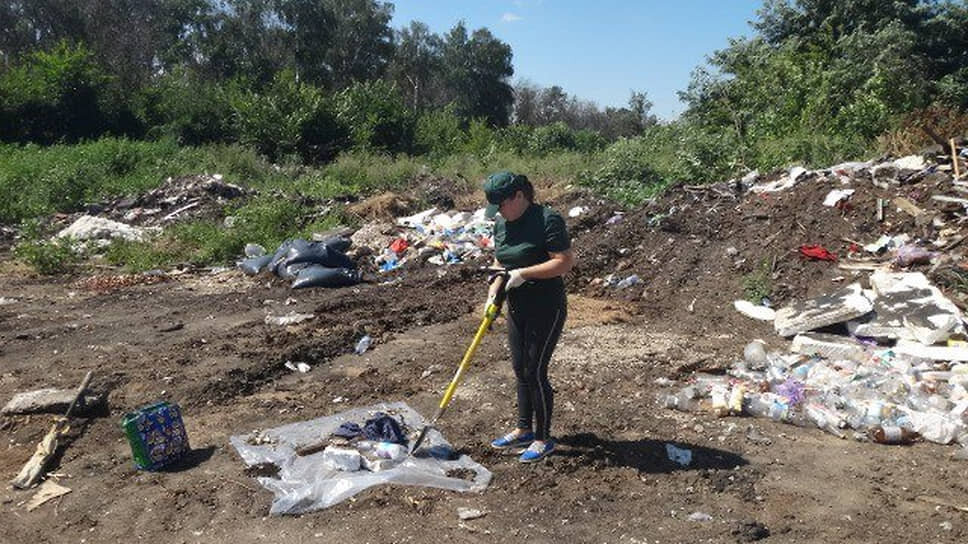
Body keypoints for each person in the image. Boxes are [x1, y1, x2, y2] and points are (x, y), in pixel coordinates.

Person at [482, 171, 575, 463]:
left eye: (502, 205)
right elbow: (501, 260)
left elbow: (564, 262)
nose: (499, 212)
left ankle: (543, 437)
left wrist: (523, 273)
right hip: (517, 306)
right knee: (520, 369)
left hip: (546, 306)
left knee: (535, 371)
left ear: (519, 197)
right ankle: (523, 429)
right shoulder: (501, 223)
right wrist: (494, 289)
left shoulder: (547, 220)